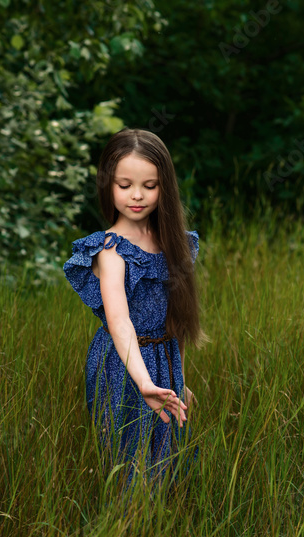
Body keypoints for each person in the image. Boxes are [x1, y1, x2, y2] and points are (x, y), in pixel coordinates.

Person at [63, 128, 208, 495]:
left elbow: (177, 322)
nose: (137, 195)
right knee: (129, 464)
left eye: (150, 185)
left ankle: (157, 527)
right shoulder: (111, 250)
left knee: (166, 461)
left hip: (164, 359)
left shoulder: (174, 244)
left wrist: (180, 377)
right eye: (124, 185)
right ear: (108, 185)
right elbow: (119, 322)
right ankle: (122, 527)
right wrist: (144, 381)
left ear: (165, 188)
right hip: (121, 363)